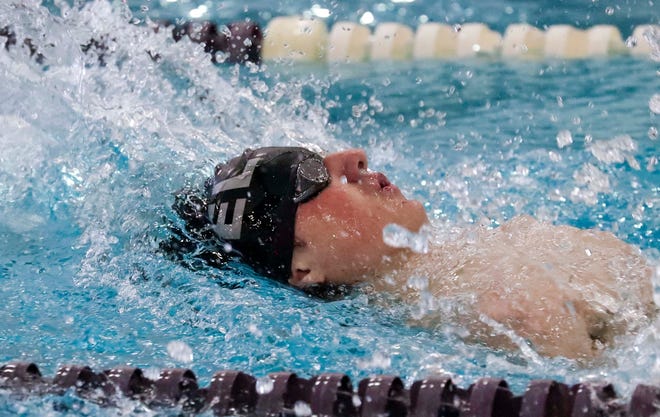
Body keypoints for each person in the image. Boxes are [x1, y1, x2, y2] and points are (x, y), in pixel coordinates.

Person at [173, 146, 656, 360]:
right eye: (311, 178)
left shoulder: (484, 260)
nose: (353, 158)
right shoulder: (500, 310)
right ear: (304, 267)